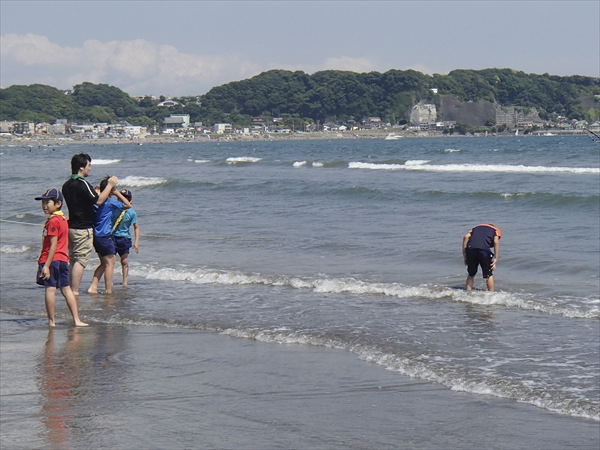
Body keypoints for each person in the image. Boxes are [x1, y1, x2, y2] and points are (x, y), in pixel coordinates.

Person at [62, 153, 118, 295]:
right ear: (81, 168)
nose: (90, 169)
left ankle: (69, 289)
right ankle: (73, 291)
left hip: (71, 226)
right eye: (89, 165)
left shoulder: (66, 185)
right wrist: (110, 185)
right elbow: (98, 200)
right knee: (80, 260)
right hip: (83, 227)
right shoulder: (82, 184)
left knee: (73, 259)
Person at [35, 188, 88, 327]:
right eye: (43, 202)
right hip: (63, 259)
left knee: (50, 289)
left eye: (48, 202)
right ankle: (77, 319)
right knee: (66, 289)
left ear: (58, 203)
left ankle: (51, 321)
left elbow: (53, 245)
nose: (45, 205)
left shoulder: (53, 221)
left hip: (52, 260)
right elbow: (65, 241)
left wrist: (46, 265)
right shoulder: (63, 219)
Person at [87, 177, 131, 294]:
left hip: (96, 236)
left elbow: (98, 198)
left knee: (104, 263)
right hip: (106, 236)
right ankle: (108, 290)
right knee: (110, 264)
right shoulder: (110, 203)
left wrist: (99, 191)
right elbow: (127, 205)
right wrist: (116, 192)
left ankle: (93, 286)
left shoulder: (95, 202)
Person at [111, 189, 139, 287]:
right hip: (113, 237)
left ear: (130, 200)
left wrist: (136, 242)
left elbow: (136, 227)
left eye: (125, 198)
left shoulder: (132, 213)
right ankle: (110, 281)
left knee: (124, 261)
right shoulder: (114, 209)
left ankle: (125, 282)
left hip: (125, 238)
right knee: (112, 260)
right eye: (120, 198)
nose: (122, 200)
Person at [462, 223, 502, 292]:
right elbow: (496, 242)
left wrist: (464, 254)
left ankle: (468, 294)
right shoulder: (495, 230)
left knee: (471, 274)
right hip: (484, 252)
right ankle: (491, 294)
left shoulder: (475, 228)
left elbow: (466, 237)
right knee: (489, 274)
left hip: (471, 250)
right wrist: (495, 258)